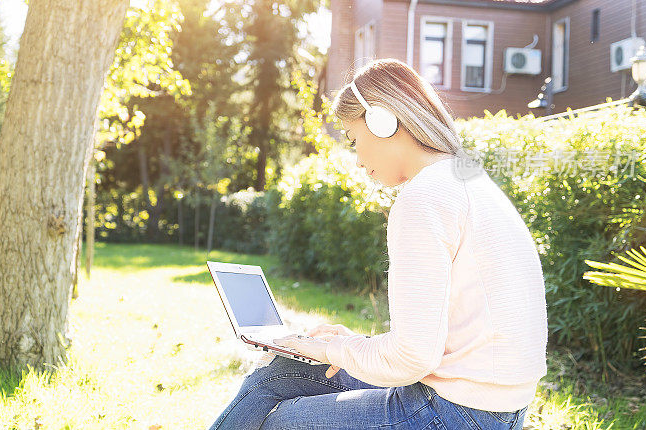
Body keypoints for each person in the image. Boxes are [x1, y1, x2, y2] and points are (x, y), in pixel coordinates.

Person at [207, 59, 548, 429]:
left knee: (279, 424)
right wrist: (355, 346)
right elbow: (435, 342)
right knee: (277, 375)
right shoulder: (466, 178)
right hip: (494, 406)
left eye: (354, 140)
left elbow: (413, 359)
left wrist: (328, 348)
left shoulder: (424, 196)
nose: (357, 160)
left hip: (456, 412)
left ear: (382, 121)